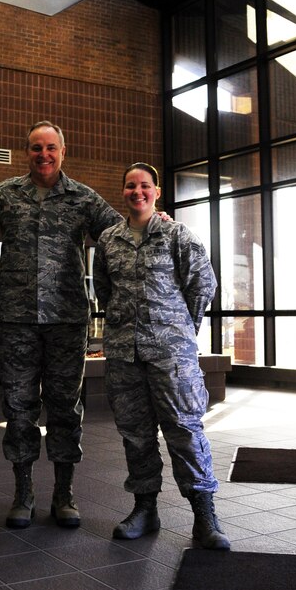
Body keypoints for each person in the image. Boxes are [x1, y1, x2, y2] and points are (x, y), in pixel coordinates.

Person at [0, 121, 123, 529]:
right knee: (19, 408)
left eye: (50, 148)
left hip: (66, 320)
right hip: (17, 320)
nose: (43, 155)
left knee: (64, 407)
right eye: (35, 148)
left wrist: (154, 219)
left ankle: (64, 494)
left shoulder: (82, 198)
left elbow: (119, 233)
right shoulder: (6, 195)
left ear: (63, 151)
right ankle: (23, 495)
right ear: (27, 152)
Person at [93, 162, 230, 550]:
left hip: (172, 355)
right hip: (125, 353)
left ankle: (205, 517)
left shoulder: (176, 235)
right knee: (135, 435)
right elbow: (105, 290)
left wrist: (180, 330)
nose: (137, 192)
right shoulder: (108, 239)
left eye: (145, 186)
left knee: (185, 431)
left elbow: (203, 285)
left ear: (156, 192)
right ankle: (144, 509)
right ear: (123, 192)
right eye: (131, 186)